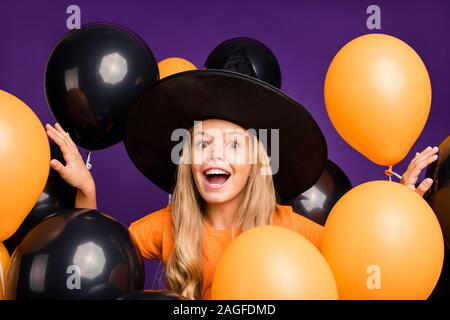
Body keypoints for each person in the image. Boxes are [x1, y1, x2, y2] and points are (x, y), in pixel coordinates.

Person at [45, 70, 439, 300]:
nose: (216, 155)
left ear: (256, 163)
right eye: (202, 144)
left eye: (234, 145)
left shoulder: (289, 229)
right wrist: (87, 190)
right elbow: (99, 258)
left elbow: (359, 256)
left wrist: (396, 208)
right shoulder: (169, 226)